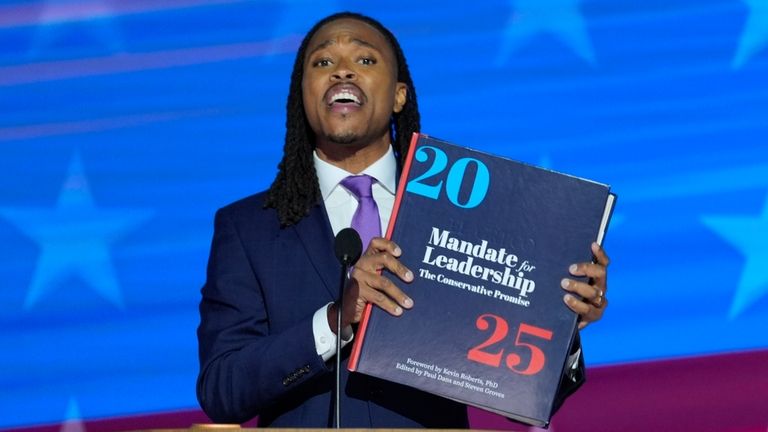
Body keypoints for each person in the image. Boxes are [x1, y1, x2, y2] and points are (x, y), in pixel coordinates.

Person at [196, 11, 610, 428]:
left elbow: (530, 400)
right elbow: (222, 392)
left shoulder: (465, 217)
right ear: (302, 96)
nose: (342, 71)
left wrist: (560, 322)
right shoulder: (248, 228)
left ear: (399, 96)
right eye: (322, 63)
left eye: (365, 60)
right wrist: (336, 319)